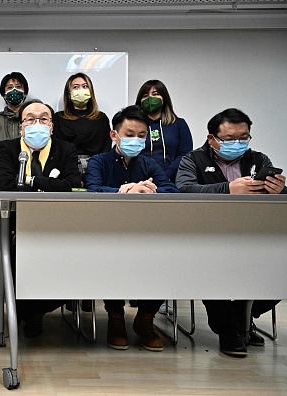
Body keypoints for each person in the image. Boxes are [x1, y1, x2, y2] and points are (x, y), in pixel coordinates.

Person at [176, 108, 287, 357]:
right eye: (229, 139)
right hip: (206, 236)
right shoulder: (193, 160)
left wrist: (281, 191)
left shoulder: (259, 160)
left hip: (254, 236)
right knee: (211, 270)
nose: (237, 144)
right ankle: (229, 329)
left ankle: (241, 319)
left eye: (243, 138)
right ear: (211, 138)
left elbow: (283, 202)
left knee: (282, 268)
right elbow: (183, 190)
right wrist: (227, 188)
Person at [84, 105, 178, 352]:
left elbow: (171, 191)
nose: (136, 140)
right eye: (129, 134)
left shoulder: (150, 164)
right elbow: (92, 190)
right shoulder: (99, 161)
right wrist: (125, 190)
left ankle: (145, 319)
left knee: (165, 258)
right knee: (108, 258)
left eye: (141, 135)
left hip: (146, 233)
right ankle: (115, 317)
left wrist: (150, 189)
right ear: (114, 135)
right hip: (106, 233)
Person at [0, 99, 81, 337]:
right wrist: (50, 184)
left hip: (57, 223)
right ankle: (20, 309)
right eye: (30, 119)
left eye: (43, 119)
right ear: (21, 126)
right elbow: (7, 184)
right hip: (15, 222)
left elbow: (72, 185)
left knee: (64, 258)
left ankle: (37, 310)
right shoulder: (6, 148)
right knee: (12, 257)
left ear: (52, 126)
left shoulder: (66, 149)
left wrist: (32, 181)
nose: (37, 124)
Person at [0, 71, 29, 310]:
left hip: (31, 190)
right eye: (9, 86)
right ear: (3, 93)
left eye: (18, 86)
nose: (14, 90)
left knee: (27, 239)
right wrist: (6, 175)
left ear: (26, 92)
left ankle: (24, 289)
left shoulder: (34, 119)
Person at [52, 72, 111, 174]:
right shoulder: (58, 118)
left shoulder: (101, 118)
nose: (81, 90)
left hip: (96, 168)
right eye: (75, 87)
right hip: (66, 168)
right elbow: (55, 148)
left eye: (85, 86)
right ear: (69, 94)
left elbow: (106, 149)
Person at [134, 79, 193, 182]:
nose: (150, 98)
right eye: (145, 96)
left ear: (164, 98)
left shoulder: (179, 124)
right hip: (139, 180)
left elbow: (185, 154)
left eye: (155, 94)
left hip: (171, 180)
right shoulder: (134, 126)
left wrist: (166, 175)